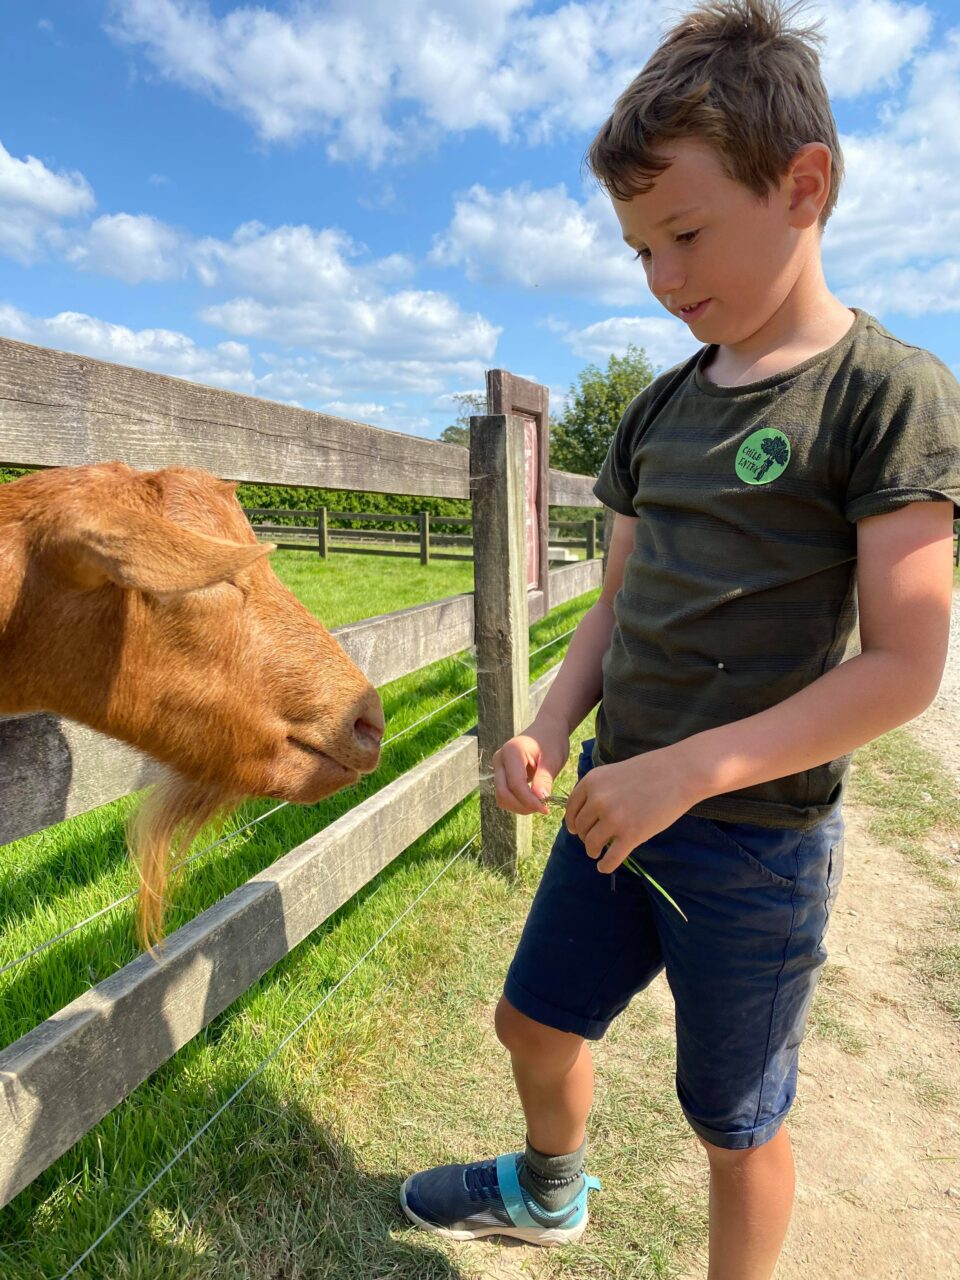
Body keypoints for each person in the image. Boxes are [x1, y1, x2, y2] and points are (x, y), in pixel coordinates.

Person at [400, 1, 960, 1276]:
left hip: (752, 841)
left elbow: (903, 666)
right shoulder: (658, 408)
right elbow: (617, 603)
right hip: (614, 802)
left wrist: (688, 770)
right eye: (641, 249)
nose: (663, 276)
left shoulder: (888, 393)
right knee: (532, 1023)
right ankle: (549, 1191)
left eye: (687, 233)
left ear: (803, 183)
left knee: (735, 1120)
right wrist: (548, 725)